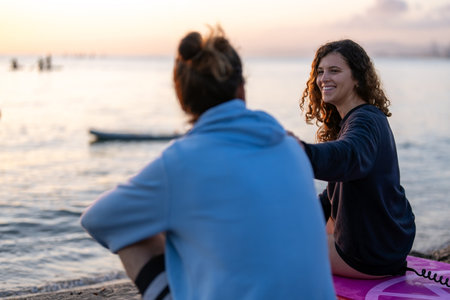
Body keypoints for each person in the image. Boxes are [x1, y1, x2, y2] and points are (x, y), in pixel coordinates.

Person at [81, 26, 335, 300]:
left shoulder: (181, 161)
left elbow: (98, 220)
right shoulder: (290, 147)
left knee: (136, 233)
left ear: (182, 97)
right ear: (242, 88)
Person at [298, 39, 416, 279]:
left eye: (334, 70)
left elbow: (348, 156)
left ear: (357, 78)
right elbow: (333, 196)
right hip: (389, 245)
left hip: (370, 256)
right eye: (320, 72)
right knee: (298, 225)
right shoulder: (362, 119)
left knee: (281, 249)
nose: (323, 79)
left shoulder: (364, 121)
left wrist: (295, 152)